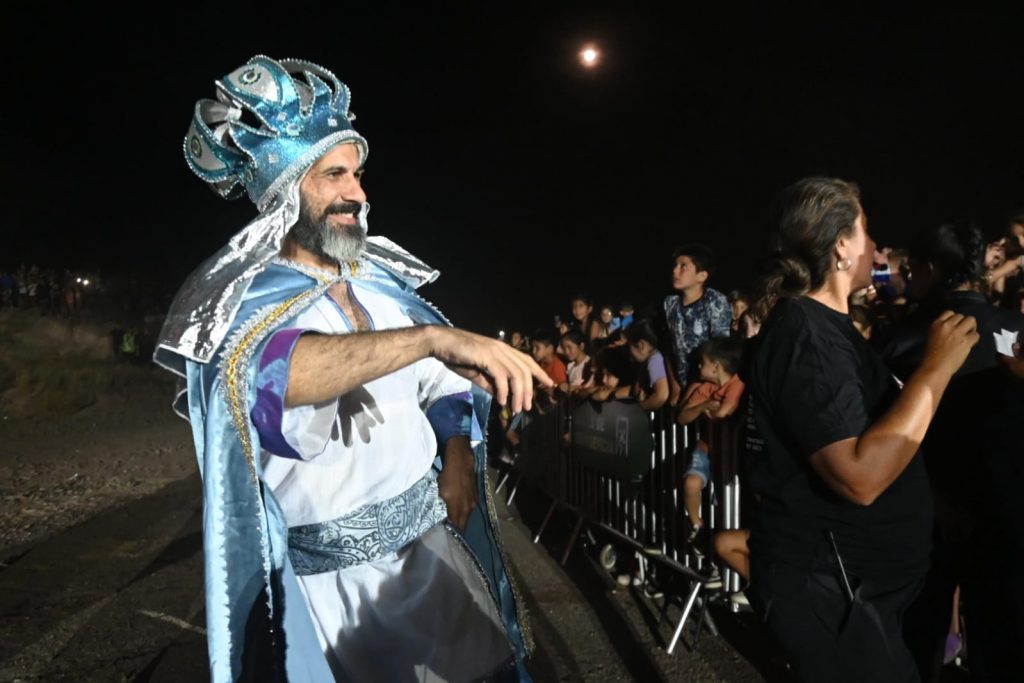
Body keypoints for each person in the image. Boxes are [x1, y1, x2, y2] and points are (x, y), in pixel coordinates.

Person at [154, 56, 550, 682]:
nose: (359, 194)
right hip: (333, 590)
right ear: (285, 190)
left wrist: (454, 454)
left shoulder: (378, 283)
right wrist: (431, 339)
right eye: (334, 175)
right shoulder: (245, 301)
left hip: (431, 552)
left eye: (358, 174)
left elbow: (440, 383)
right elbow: (273, 379)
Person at [744, 177, 977, 682]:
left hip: (855, 593)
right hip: (835, 594)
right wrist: (936, 369)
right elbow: (859, 476)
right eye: (866, 231)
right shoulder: (807, 337)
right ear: (841, 247)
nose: (877, 246)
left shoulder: (824, 329)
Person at [878, 221, 1024, 681]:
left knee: (918, 642)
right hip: (1005, 512)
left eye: (912, 268)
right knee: (1000, 646)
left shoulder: (906, 337)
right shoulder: (1014, 329)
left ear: (930, 268)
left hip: (927, 510)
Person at [676, 337, 745, 553]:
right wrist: (703, 406)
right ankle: (697, 525)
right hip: (707, 447)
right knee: (690, 483)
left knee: (729, 503)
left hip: (733, 453)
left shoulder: (737, 384)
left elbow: (724, 413)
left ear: (715, 367)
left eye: (702, 363)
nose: (698, 367)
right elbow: (683, 417)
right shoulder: (705, 388)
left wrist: (710, 412)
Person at [661, 244, 732, 405]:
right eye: (675, 266)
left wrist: (698, 390)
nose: (675, 271)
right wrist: (675, 386)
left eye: (683, 267)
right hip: (680, 386)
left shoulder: (715, 301)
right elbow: (668, 347)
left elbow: (721, 351)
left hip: (707, 387)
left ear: (702, 276)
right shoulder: (670, 303)